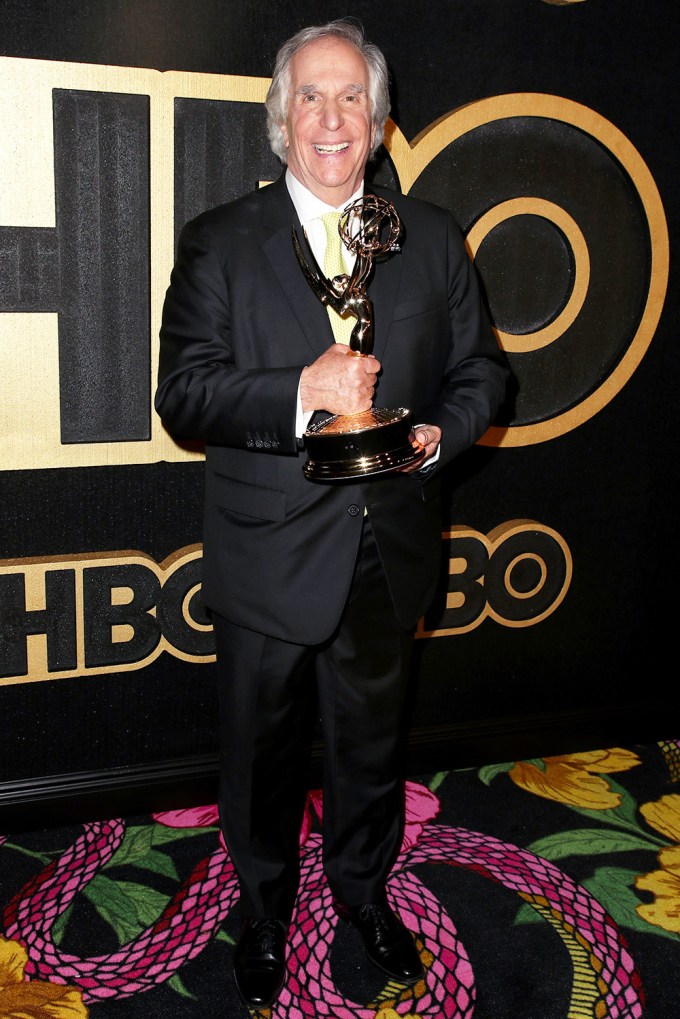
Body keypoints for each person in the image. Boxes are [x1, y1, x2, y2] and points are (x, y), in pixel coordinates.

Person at [155, 18, 509, 1012]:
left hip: (386, 548)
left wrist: (440, 429)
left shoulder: (428, 235)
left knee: (368, 748)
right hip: (268, 554)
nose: (329, 116)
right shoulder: (220, 240)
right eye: (310, 95)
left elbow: (484, 369)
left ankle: (361, 893)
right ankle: (262, 915)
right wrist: (297, 390)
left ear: (379, 119)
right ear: (279, 118)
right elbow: (181, 394)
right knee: (259, 759)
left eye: (349, 96)